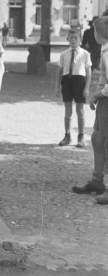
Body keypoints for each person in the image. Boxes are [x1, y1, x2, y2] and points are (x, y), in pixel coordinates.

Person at [73, 16, 108, 203]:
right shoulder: (105, 49)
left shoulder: (107, 53)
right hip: (105, 101)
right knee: (97, 138)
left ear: (96, 33)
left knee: (106, 143)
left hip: (107, 100)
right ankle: (97, 181)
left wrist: (96, 95)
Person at [55, 28, 92, 148]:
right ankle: (67, 135)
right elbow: (59, 71)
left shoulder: (85, 54)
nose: (73, 40)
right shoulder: (64, 54)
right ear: (67, 39)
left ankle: (81, 136)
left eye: (76, 37)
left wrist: (86, 87)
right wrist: (57, 87)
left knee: (80, 110)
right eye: (71, 38)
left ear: (80, 39)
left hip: (79, 81)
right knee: (68, 109)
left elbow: (88, 72)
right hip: (67, 81)